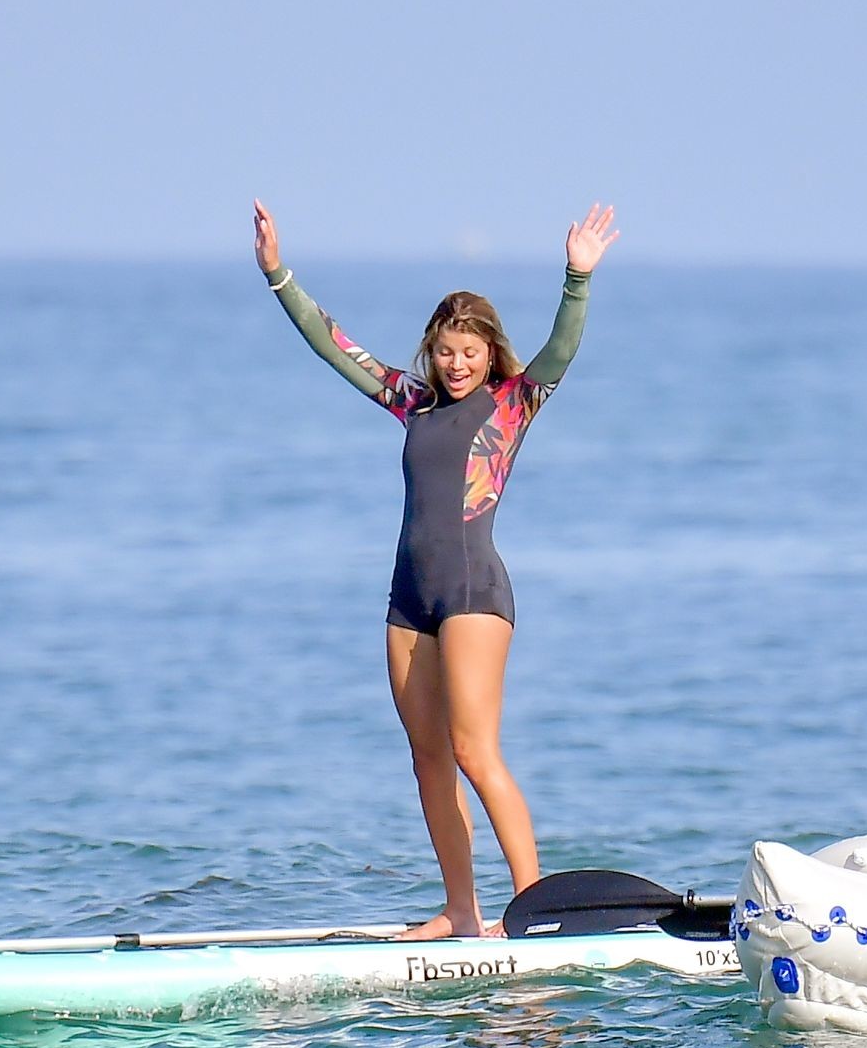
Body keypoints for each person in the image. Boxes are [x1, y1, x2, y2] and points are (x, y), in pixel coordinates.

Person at [252, 198, 619, 939]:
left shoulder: (511, 404)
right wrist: (277, 274)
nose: (457, 364)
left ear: (489, 353)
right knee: (428, 759)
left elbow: (560, 350)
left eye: (470, 352)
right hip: (409, 600)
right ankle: (461, 909)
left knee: (474, 751)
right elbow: (335, 347)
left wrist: (577, 278)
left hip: (473, 594)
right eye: (447, 351)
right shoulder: (412, 402)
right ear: (432, 351)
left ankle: (532, 908)